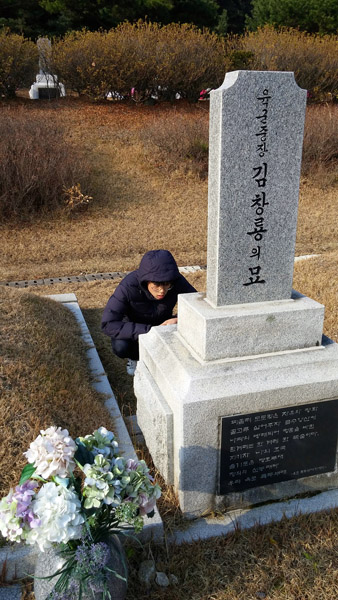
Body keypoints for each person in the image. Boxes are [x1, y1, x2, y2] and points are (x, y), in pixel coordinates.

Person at [101, 250, 196, 375]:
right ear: (146, 281)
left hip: (163, 323)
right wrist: (150, 330)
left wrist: (177, 319)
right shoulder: (128, 286)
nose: (162, 291)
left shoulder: (176, 280)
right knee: (121, 346)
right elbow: (108, 324)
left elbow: (196, 304)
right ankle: (135, 358)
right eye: (156, 285)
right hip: (135, 328)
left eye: (167, 285)